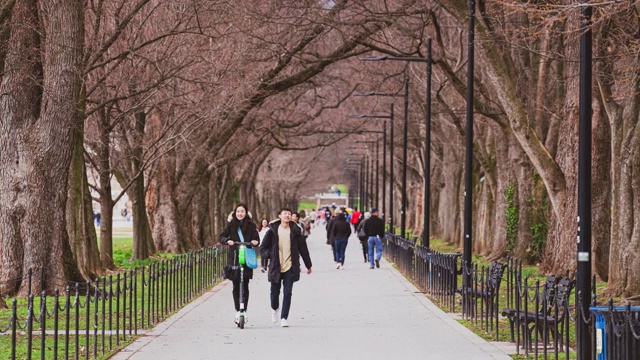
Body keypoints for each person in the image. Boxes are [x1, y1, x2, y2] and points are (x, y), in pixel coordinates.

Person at [260, 208, 312, 327]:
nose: (287, 216)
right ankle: (274, 309)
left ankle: (284, 317)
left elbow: (303, 249)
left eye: (289, 214)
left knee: (287, 292)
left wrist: (308, 265)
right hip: (276, 266)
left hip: (290, 266)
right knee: (274, 293)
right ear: (280, 216)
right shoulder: (272, 230)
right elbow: (263, 248)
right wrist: (270, 256)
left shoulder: (295, 231)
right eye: (285, 214)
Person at [219, 204, 260, 324]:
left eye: (242, 211)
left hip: (246, 257)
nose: (240, 213)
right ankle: (237, 309)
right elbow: (221, 236)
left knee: (245, 284)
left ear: (246, 213)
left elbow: (256, 239)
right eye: (238, 211)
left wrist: (254, 242)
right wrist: (227, 241)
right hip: (235, 257)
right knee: (236, 285)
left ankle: (244, 310)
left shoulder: (251, 225)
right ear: (235, 213)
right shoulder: (231, 225)